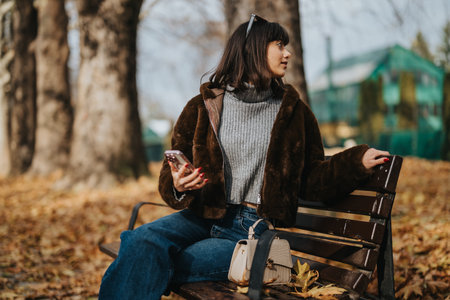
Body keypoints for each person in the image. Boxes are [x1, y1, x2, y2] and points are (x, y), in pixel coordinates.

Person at [99, 14, 389, 299]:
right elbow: (168, 177)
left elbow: (313, 178)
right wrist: (178, 184)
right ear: (252, 49)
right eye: (279, 45)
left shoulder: (294, 113)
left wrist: (355, 162)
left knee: (156, 260)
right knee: (140, 241)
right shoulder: (202, 106)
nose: (288, 53)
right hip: (201, 214)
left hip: (250, 228)